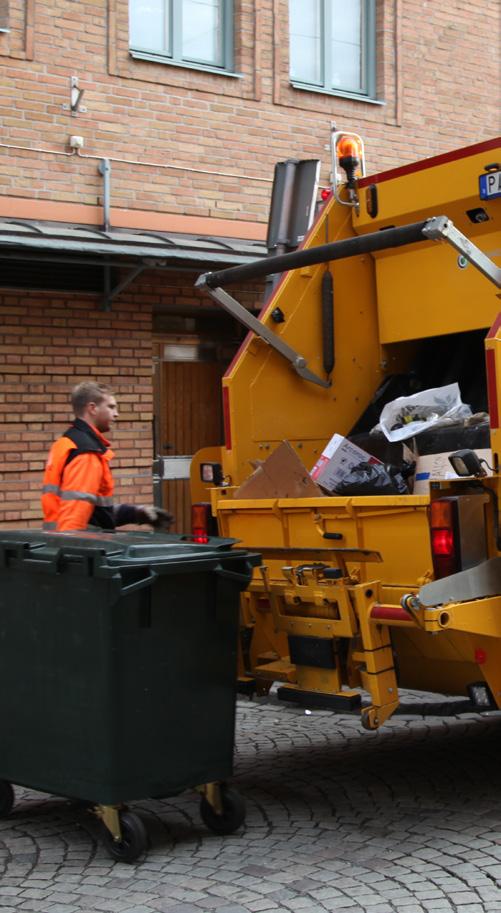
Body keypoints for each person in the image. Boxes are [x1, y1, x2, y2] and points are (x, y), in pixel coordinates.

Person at [42, 381, 173, 532]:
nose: (116, 414)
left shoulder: (65, 443)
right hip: (83, 548)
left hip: (57, 542)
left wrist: (135, 514)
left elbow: (95, 512)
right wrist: (74, 551)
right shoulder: (86, 452)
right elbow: (74, 516)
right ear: (92, 408)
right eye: (111, 407)